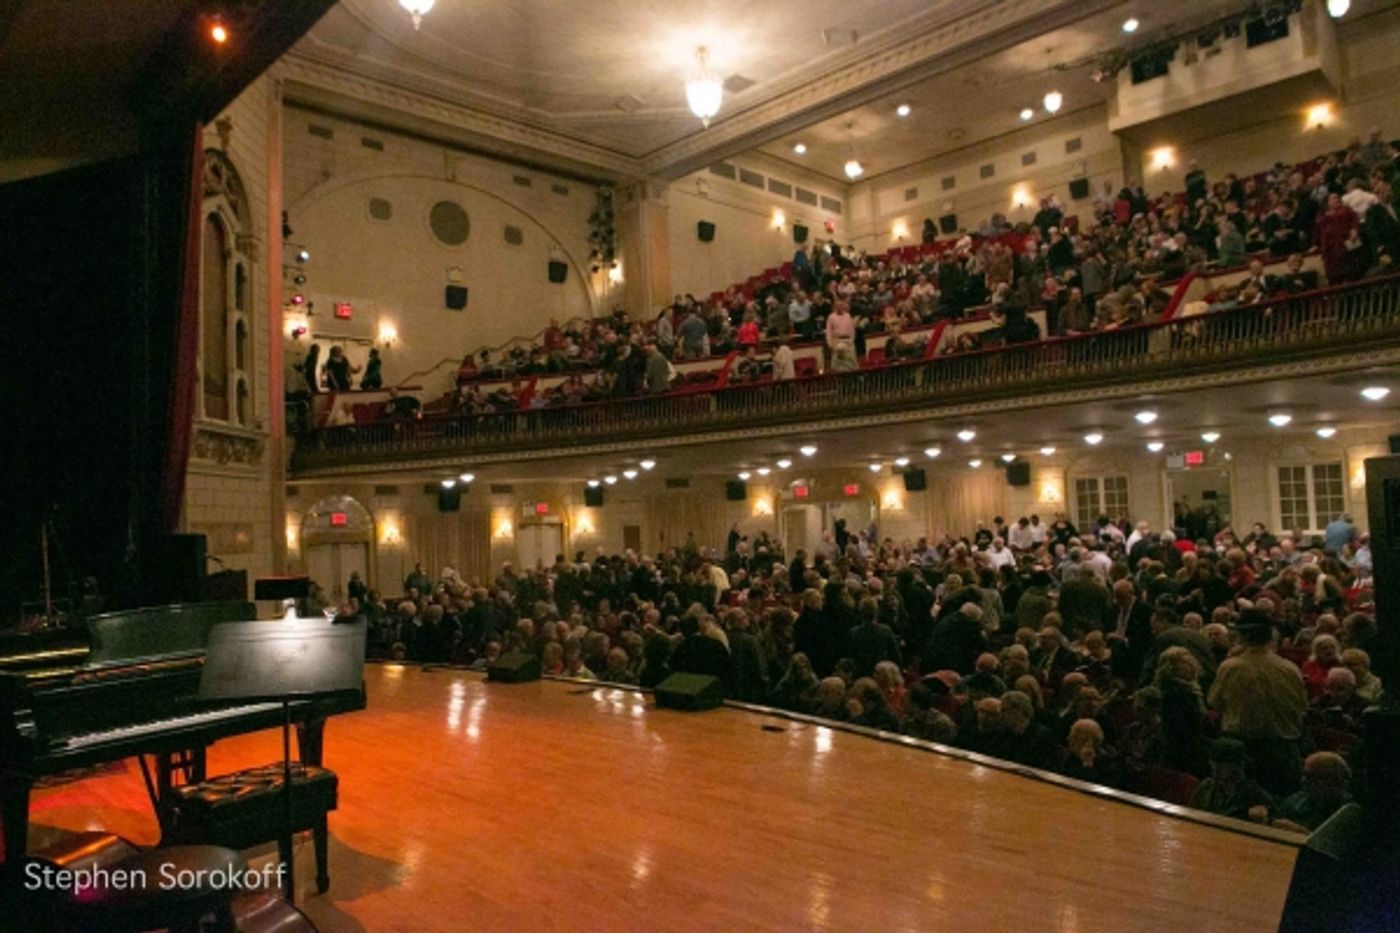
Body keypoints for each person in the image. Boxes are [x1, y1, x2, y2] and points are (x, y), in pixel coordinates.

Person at [1207, 609, 1308, 796]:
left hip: (1244, 753)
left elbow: (1215, 703)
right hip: (1284, 751)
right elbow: (1302, 706)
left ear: (1243, 636)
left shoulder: (1231, 667)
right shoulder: (1290, 668)